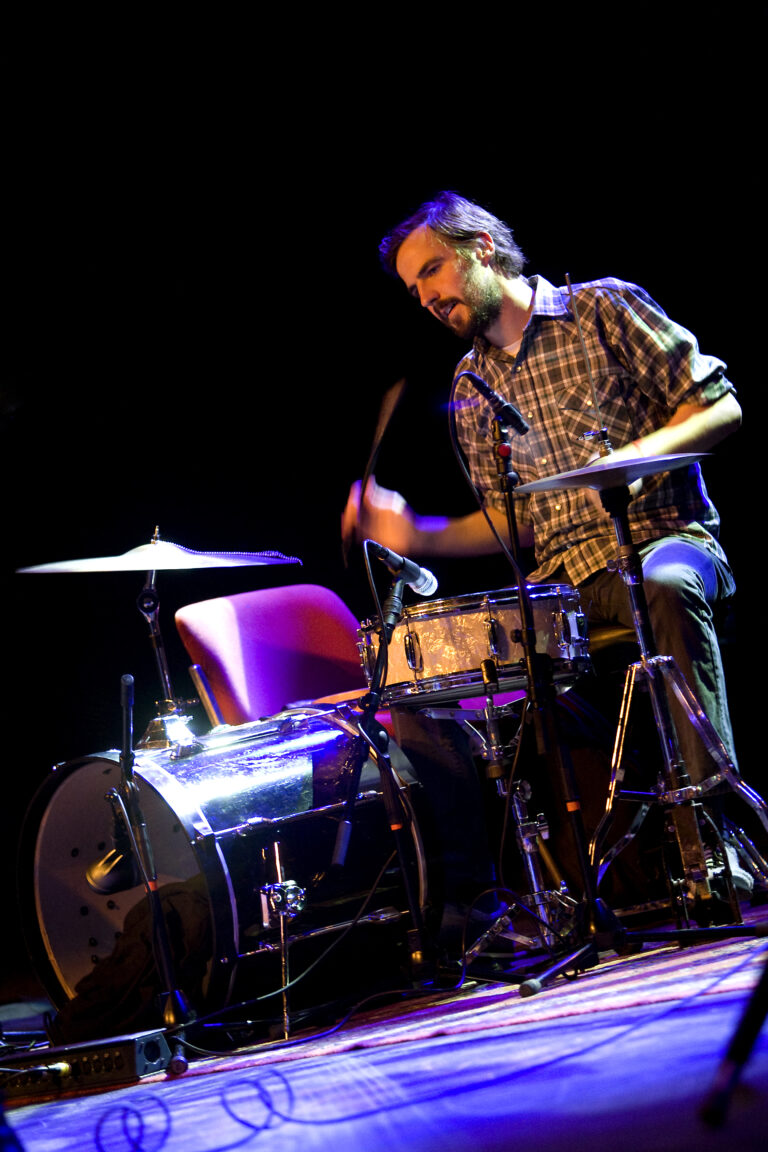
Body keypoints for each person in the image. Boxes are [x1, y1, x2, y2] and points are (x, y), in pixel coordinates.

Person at [342, 191, 745, 934]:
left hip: (665, 539)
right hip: (564, 586)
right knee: (422, 676)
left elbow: (720, 406)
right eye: (414, 289)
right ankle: (484, 904)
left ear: (482, 248)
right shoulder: (470, 385)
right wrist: (418, 534)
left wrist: (632, 461)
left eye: (432, 271)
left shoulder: (603, 308)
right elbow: (517, 522)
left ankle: (713, 839)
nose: (427, 298)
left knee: (663, 584)